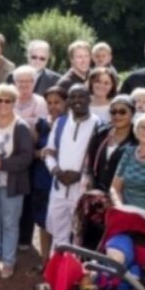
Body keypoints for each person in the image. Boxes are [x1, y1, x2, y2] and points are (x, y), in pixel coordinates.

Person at [0, 83, 35, 278]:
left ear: (13, 102)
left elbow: (27, 157)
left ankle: (8, 261)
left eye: (7, 100)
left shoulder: (20, 127)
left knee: (10, 222)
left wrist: (2, 164)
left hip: (12, 183)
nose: (2, 104)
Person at [42, 85, 99, 251]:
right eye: (73, 97)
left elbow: (98, 162)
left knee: (80, 237)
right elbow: (49, 153)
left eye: (81, 96)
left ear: (90, 99)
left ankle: (74, 274)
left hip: (82, 191)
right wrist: (56, 171)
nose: (77, 101)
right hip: (59, 188)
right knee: (58, 236)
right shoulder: (61, 122)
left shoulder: (99, 125)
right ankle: (57, 274)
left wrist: (80, 176)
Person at [31, 86, 67, 285]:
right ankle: (45, 261)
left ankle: (59, 264)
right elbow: (33, 152)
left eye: (57, 102)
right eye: (50, 103)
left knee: (61, 223)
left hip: (62, 180)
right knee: (43, 222)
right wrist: (42, 153)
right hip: (42, 178)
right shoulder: (41, 124)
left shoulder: (72, 125)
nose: (53, 107)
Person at [87, 95, 137, 194]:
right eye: (113, 112)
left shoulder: (137, 138)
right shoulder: (101, 133)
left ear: (132, 114)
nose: (117, 116)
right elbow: (90, 162)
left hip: (123, 195)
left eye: (122, 112)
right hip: (98, 192)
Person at [8, 65, 48, 130]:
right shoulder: (7, 100)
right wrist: (30, 120)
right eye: (20, 81)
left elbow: (40, 125)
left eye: (27, 81)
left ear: (34, 82)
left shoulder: (40, 102)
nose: (23, 84)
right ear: (15, 82)